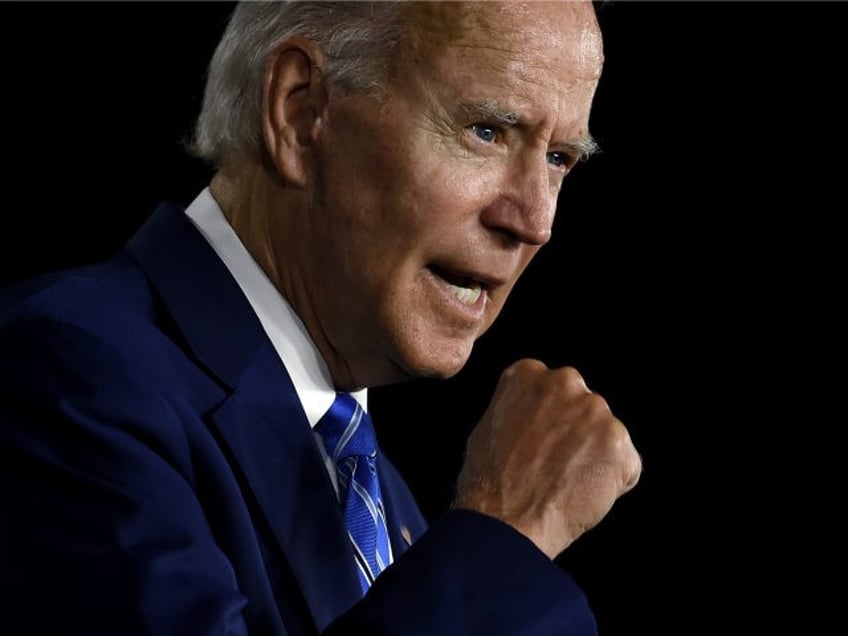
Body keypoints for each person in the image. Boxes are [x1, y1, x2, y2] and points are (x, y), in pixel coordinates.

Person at [0, 1, 641, 634]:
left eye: (559, 159)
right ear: (301, 109)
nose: (535, 222)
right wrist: (509, 530)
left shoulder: (383, 500)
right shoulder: (64, 372)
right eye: (487, 131)